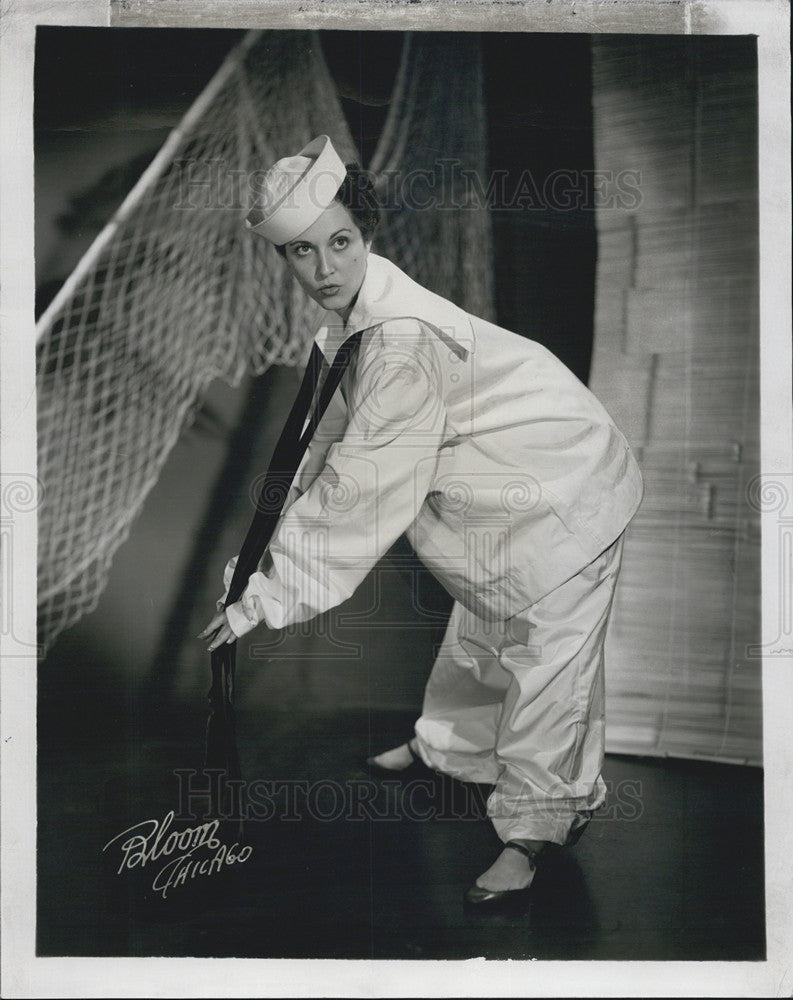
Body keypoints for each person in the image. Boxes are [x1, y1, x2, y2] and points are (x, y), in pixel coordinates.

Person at [199, 135, 643, 908]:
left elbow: (360, 488)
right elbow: (322, 449)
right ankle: (449, 750)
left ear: (363, 234)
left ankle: (533, 831)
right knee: (479, 625)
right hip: (493, 489)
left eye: (338, 243)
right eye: (302, 253)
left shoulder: (401, 341)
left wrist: (266, 600)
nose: (325, 268)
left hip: (565, 485)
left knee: (547, 660)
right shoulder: (352, 323)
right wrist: (256, 566)